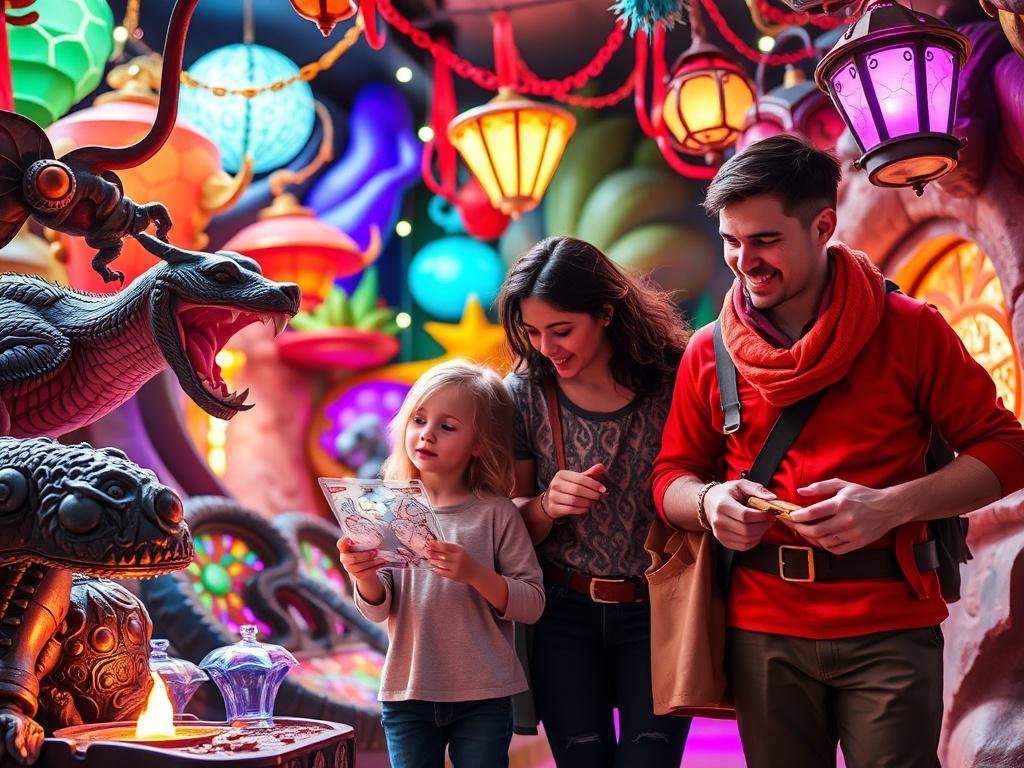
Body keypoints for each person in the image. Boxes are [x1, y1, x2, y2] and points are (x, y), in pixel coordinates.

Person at [651, 134, 1024, 768]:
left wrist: (890, 507)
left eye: (765, 240)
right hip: (761, 627)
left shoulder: (911, 329)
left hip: (890, 624)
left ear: (823, 225)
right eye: (730, 241)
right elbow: (669, 479)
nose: (745, 260)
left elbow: (1007, 450)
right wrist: (711, 502)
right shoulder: (706, 351)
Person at [498, 236, 692, 768]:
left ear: (606, 312)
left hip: (659, 611)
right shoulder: (523, 393)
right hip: (563, 614)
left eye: (562, 330)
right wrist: (545, 504)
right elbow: (507, 524)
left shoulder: (676, 379)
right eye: (533, 332)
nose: (546, 347)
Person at [338, 359, 544, 768]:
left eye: (447, 427)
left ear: (479, 443)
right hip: (406, 691)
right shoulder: (383, 508)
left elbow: (532, 603)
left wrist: (476, 574)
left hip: (485, 694)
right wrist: (362, 577)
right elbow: (379, 608)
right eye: (419, 419)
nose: (427, 434)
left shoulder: (496, 513)